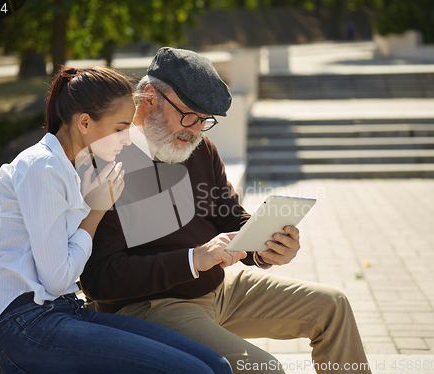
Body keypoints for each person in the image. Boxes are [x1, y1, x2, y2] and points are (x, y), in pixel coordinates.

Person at [80, 48, 372, 374]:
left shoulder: (198, 147)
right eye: (190, 115)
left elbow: (230, 216)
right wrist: (193, 259)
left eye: (205, 120)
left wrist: (265, 246)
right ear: (149, 97)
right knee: (264, 369)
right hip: (151, 305)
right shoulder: (108, 160)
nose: (195, 130)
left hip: (218, 288)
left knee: (333, 306)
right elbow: (99, 280)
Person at [0, 65, 233, 374]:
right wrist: (96, 210)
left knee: (217, 366)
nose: (128, 139)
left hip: (65, 311)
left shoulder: (71, 167)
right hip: (25, 327)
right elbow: (57, 278)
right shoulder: (41, 168)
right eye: (120, 128)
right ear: (85, 122)